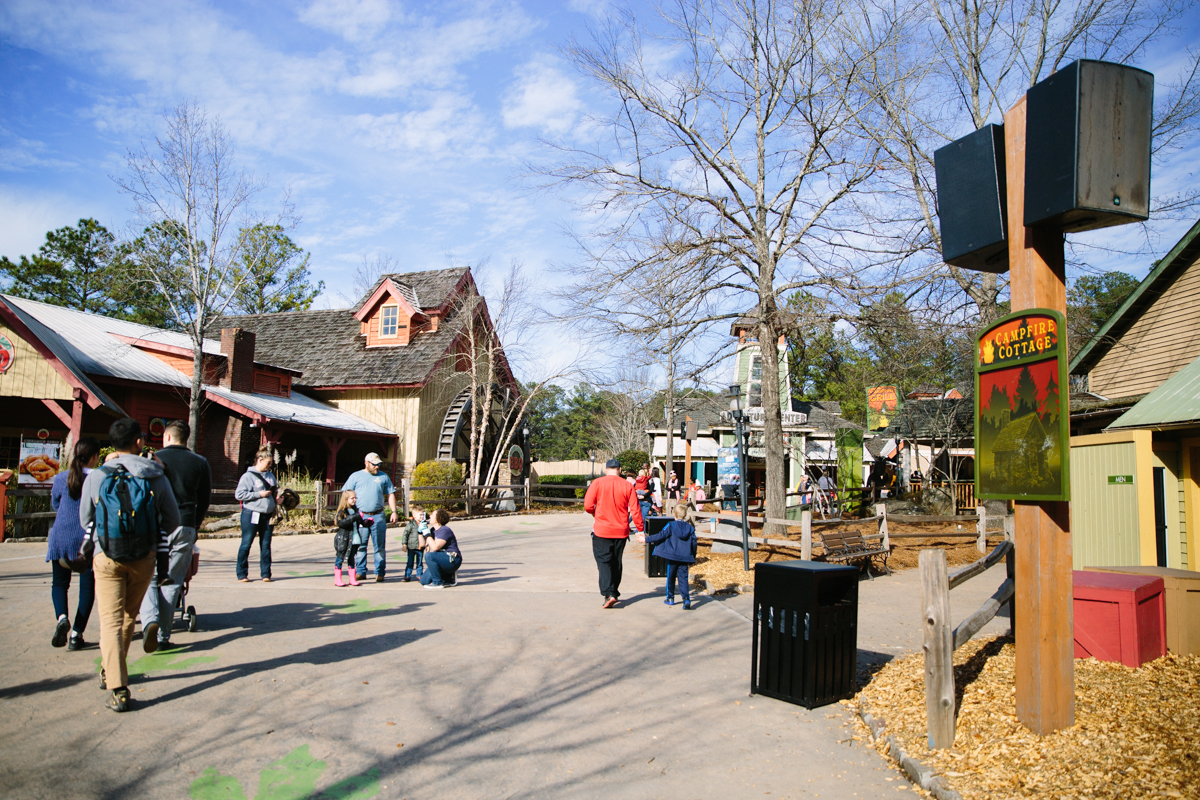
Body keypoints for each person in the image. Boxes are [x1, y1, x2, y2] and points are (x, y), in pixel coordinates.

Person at [80, 418, 181, 713]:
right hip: (144, 557)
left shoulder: (96, 477)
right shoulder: (155, 476)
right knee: (127, 617)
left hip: (106, 556)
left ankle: (117, 686)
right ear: (138, 442)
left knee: (110, 621)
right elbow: (173, 520)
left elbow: (85, 520)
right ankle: (113, 672)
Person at [140, 420, 211, 650]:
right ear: (186, 438)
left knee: (149, 578)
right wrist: (195, 525)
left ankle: (149, 621)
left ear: (167, 437)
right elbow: (204, 499)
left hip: (154, 524)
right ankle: (162, 635)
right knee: (171, 581)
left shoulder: (152, 460)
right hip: (185, 523)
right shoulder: (200, 462)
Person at [46, 436, 101, 650]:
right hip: (86, 540)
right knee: (87, 588)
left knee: (59, 584)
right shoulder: (99, 477)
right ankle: (77, 635)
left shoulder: (61, 478)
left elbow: (55, 504)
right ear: (95, 456)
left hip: (60, 538)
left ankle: (62, 619)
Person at [583, 458, 644, 609]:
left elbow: (588, 505)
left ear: (605, 469)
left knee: (604, 562)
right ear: (620, 470)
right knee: (616, 562)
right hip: (621, 531)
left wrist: (595, 513)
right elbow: (635, 509)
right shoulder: (627, 485)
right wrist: (640, 530)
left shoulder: (597, 483)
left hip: (602, 530)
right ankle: (613, 592)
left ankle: (608, 593)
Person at [340, 453, 398, 582]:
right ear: (366, 463)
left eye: (378, 464)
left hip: (378, 515)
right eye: (374, 464)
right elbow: (346, 494)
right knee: (360, 545)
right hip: (361, 515)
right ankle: (360, 571)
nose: (377, 467)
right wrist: (346, 512)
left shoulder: (383, 477)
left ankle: (380, 572)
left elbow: (390, 494)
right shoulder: (356, 476)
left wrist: (394, 511)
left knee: (379, 546)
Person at [639, 503, 697, 609]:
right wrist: (693, 556)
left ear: (674, 514)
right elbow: (694, 543)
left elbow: (660, 535)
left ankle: (670, 598)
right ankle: (686, 599)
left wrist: (646, 539)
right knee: (683, 578)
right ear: (684, 515)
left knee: (671, 577)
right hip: (684, 557)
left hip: (673, 556)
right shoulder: (690, 528)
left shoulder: (670, 525)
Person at [235, 448, 277, 583]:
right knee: (246, 543)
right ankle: (241, 573)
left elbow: (274, 492)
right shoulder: (248, 477)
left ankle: (266, 574)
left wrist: (278, 499)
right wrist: (259, 494)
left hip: (267, 515)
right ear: (260, 460)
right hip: (251, 513)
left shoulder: (271, 476)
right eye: (268, 463)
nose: (270, 465)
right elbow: (239, 494)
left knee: (266, 545)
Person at [334, 490, 369, 586]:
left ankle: (352, 578)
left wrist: (367, 522)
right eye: (352, 498)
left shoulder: (355, 510)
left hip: (354, 538)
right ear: (346, 499)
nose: (354, 500)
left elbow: (361, 522)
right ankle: (338, 579)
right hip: (343, 539)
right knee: (340, 558)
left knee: (351, 559)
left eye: (355, 498)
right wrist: (355, 516)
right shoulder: (342, 512)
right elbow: (341, 523)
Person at [420, 508, 462, 588]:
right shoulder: (433, 530)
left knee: (429, 556)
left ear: (438, 518)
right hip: (441, 558)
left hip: (453, 559)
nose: (430, 516)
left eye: (432, 515)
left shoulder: (445, 530)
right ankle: (447, 578)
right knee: (424, 581)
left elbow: (435, 547)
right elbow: (422, 545)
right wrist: (420, 531)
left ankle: (438, 582)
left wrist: (427, 534)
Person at [402, 509, 426, 582]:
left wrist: (427, 545)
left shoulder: (424, 524)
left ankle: (419, 575)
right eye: (420, 515)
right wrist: (404, 544)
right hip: (411, 547)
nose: (422, 516)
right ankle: (407, 575)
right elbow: (405, 534)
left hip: (420, 547)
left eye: (423, 515)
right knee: (410, 562)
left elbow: (426, 535)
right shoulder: (410, 524)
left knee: (419, 563)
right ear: (414, 516)